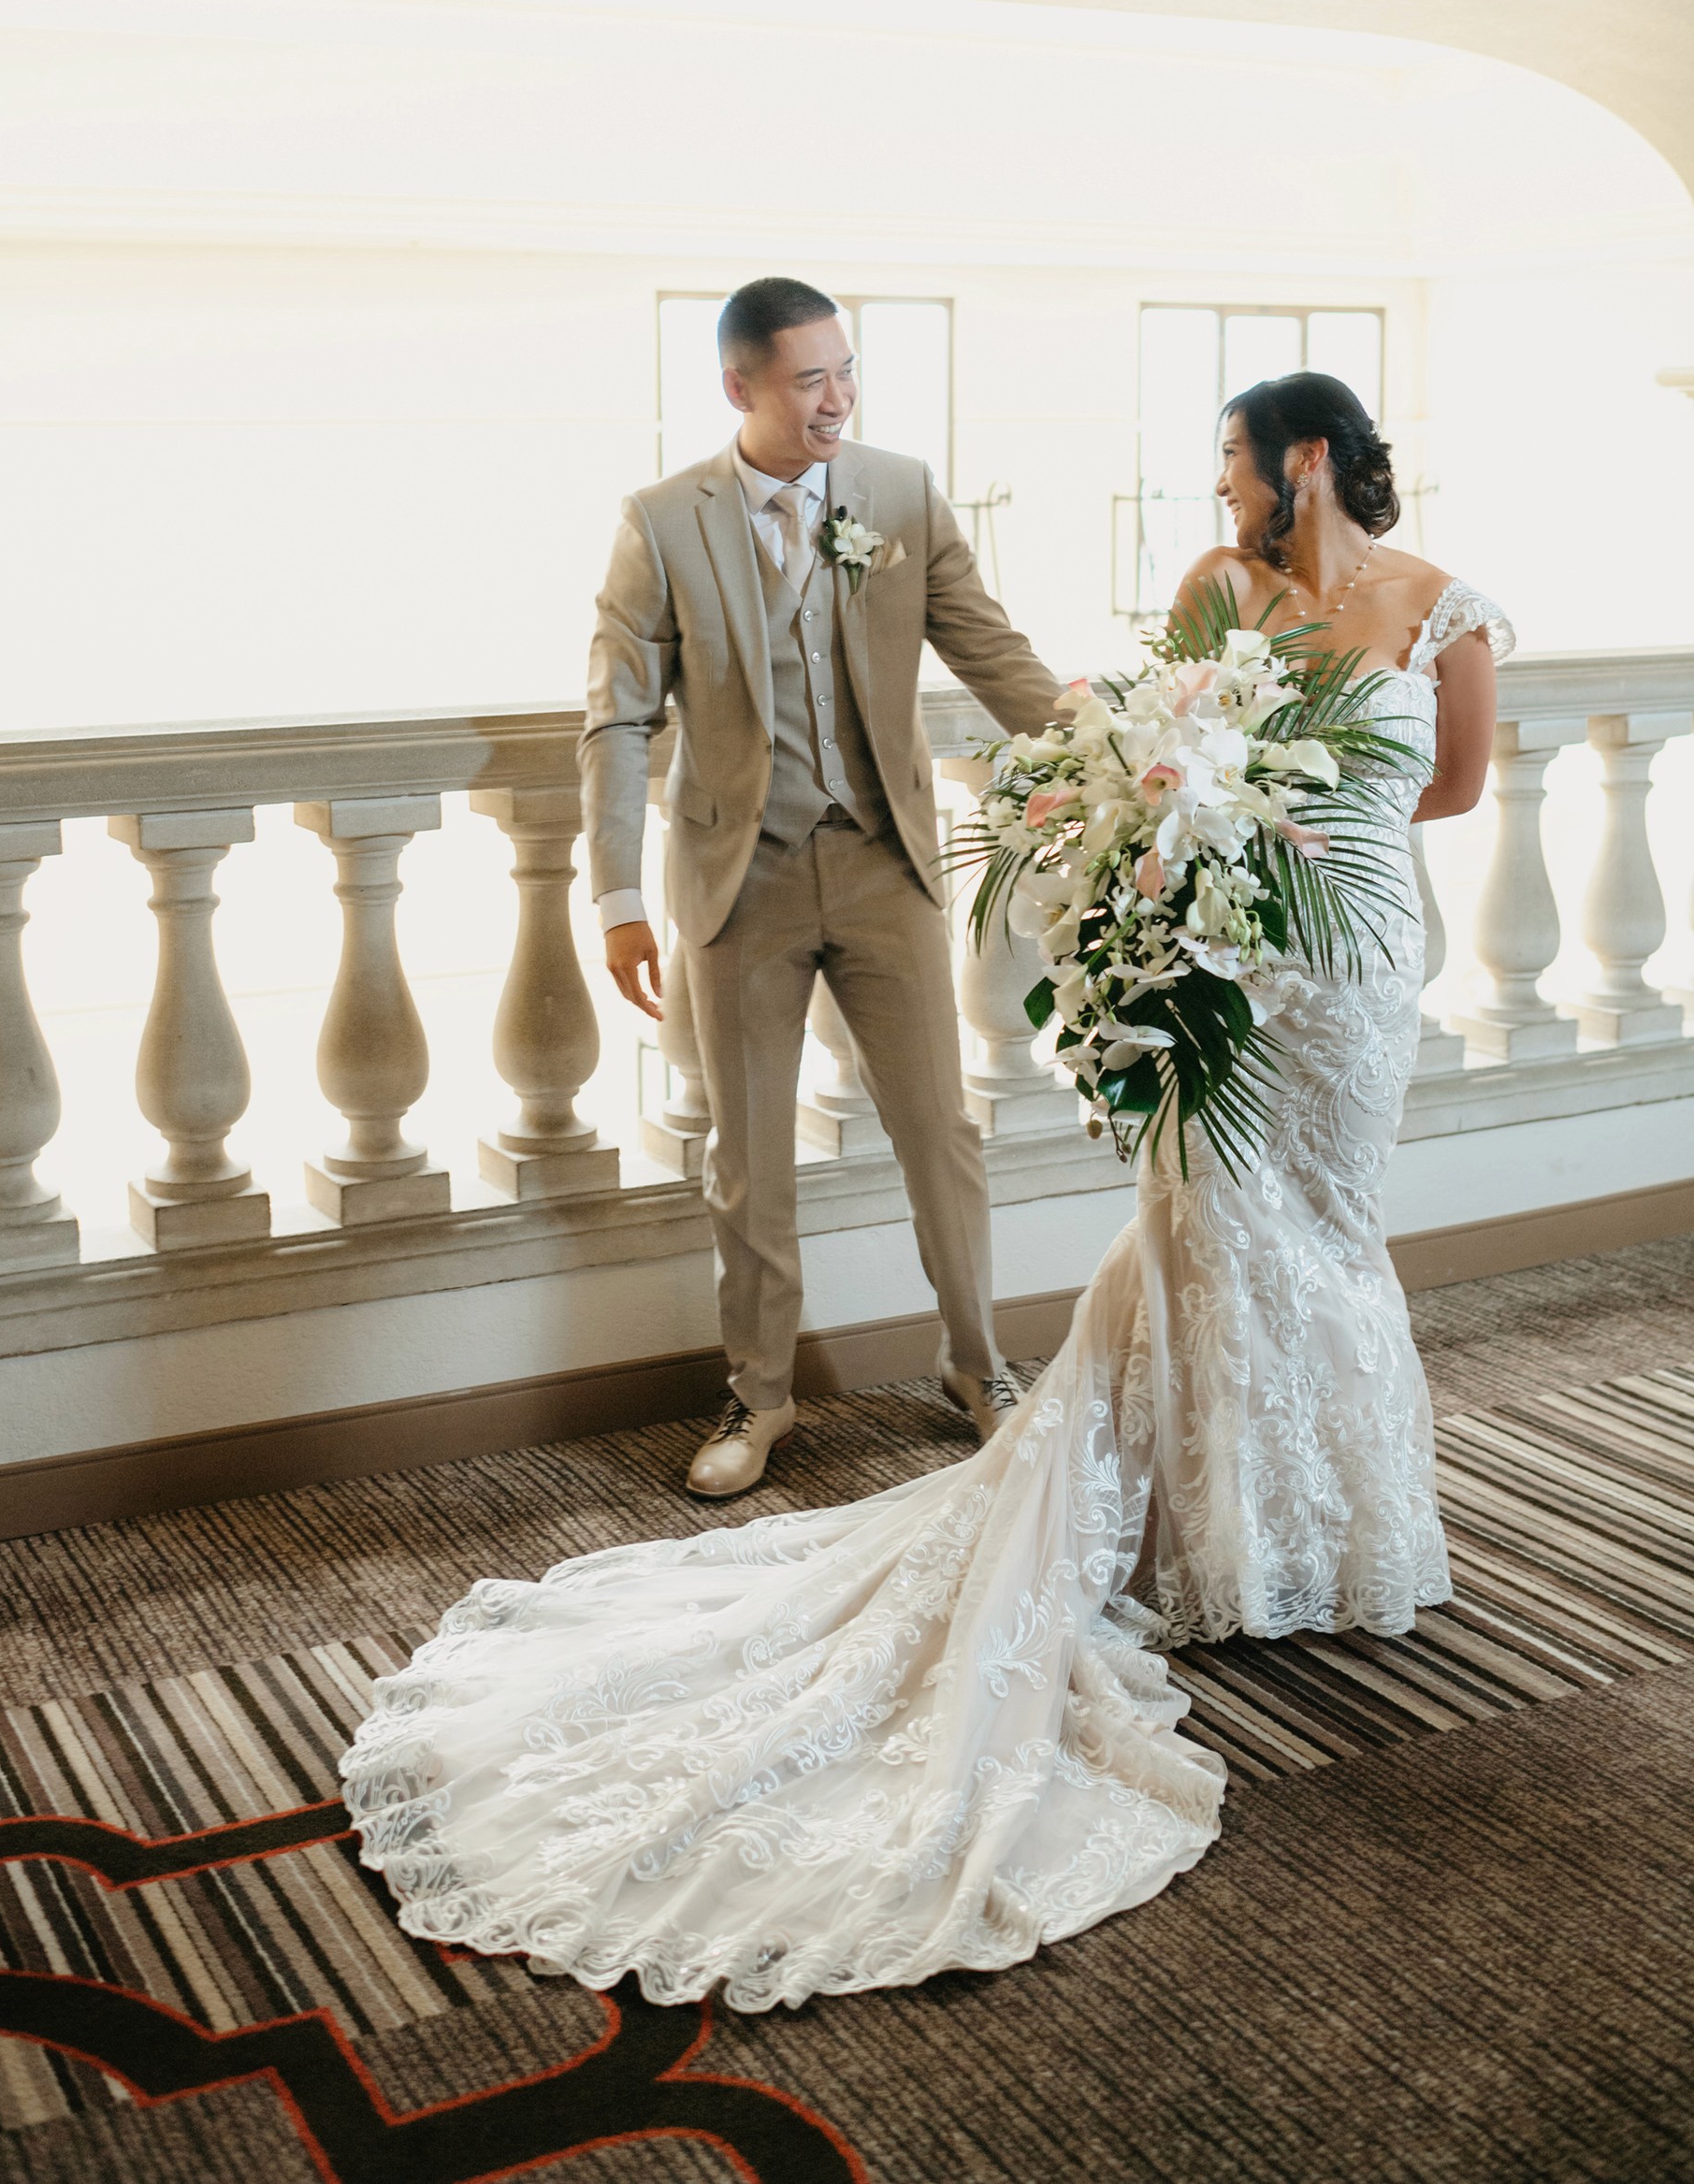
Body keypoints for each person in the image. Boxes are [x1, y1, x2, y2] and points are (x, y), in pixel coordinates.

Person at [340, 369, 1509, 2013]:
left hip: (1357, 956)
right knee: (1219, 1219)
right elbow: (1154, 742)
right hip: (1233, 959)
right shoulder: (1215, 591)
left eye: (1231, 464)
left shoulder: (1445, 607)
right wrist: (1165, 853)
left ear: (1304, 458)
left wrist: (1312, 825)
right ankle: (1214, 1533)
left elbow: (1451, 785)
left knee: (1320, 1220)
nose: (1219, 492)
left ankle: (1311, 1526)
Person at [581, 275, 1067, 1496]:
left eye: (848, 372)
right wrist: (617, 899)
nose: (838, 398)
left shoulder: (898, 494)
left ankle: (976, 1363)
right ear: (739, 387)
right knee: (747, 1155)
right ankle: (760, 1400)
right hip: (735, 885)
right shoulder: (661, 520)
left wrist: (1109, 754)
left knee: (940, 1132)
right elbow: (617, 718)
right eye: (811, 379)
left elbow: (989, 647)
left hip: (885, 868)